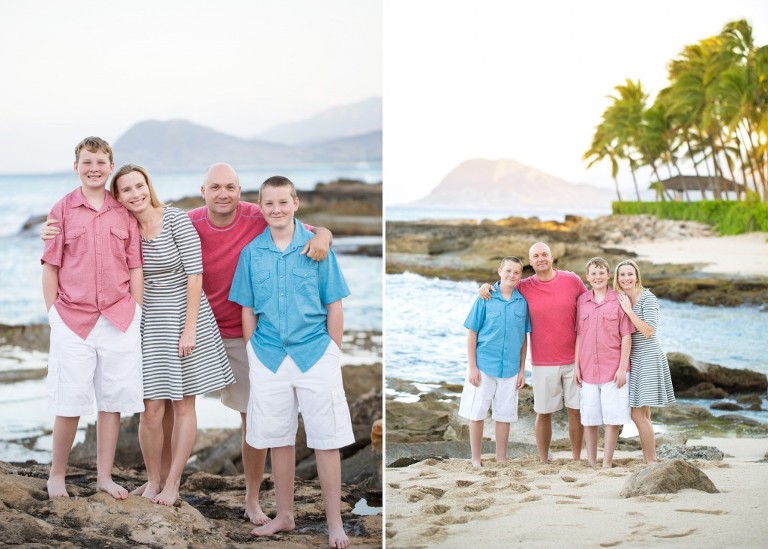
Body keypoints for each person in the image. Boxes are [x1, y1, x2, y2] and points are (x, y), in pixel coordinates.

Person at [45, 162, 333, 522]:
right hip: (155, 324)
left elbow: (296, 226)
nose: (223, 194)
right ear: (203, 191)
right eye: (215, 187)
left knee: (243, 416)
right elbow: (88, 242)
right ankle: (158, 481)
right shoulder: (144, 222)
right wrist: (49, 232)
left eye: (230, 187)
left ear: (240, 190)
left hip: (228, 328)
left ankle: (246, 497)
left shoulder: (243, 215)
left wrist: (323, 234)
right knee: (156, 408)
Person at [229, 176, 353, 548]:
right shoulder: (252, 253)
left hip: (316, 352)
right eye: (269, 204)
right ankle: (284, 516)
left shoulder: (317, 247)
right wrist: (252, 350)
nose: (277, 209)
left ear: (296, 203)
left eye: (283, 202)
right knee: (279, 438)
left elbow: (335, 303)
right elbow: (247, 308)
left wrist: (333, 349)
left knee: (326, 439)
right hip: (268, 356)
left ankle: (335, 524)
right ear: (260, 206)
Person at [110, 164, 235, 505]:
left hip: (185, 314)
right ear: (118, 197)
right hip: (148, 319)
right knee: (150, 409)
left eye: (140, 186)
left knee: (182, 405)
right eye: (126, 190)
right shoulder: (125, 227)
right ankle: (153, 480)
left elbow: (195, 275)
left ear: (148, 186)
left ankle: (173, 484)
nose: (135, 194)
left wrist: (189, 329)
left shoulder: (176, 219)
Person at [41, 137, 145, 499]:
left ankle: (104, 476)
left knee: (112, 401)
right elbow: (51, 266)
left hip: (119, 318)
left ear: (110, 166)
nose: (94, 168)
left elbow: (135, 266)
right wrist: (53, 314)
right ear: (76, 167)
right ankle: (57, 476)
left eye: (100, 162)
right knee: (69, 400)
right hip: (72, 319)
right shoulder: (62, 210)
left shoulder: (124, 213)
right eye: (87, 162)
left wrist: (137, 311)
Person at [481, 242, 587, 463]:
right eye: (536, 256)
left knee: (576, 412)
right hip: (542, 362)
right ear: (530, 261)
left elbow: (591, 304)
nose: (541, 259)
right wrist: (485, 287)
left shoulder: (572, 280)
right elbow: (503, 286)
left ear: (551, 257)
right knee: (544, 412)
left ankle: (577, 459)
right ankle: (543, 460)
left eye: (544, 254)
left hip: (575, 360)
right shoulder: (524, 286)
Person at [459, 257, 530, 467]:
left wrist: (522, 370)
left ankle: (501, 459)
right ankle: (476, 459)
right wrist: (472, 367)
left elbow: (523, 338)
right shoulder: (485, 298)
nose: (511, 275)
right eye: (508, 271)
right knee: (477, 413)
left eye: (516, 272)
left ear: (520, 276)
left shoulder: (522, 302)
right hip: (483, 366)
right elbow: (472, 333)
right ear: (500, 271)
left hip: (510, 369)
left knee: (504, 415)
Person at [573, 257, 634, 468]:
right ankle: (591, 462)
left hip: (613, 370)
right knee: (589, 417)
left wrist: (622, 368)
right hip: (588, 369)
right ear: (587, 277)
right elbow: (579, 335)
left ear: (608, 276)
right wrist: (576, 366)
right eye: (593, 273)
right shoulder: (582, 301)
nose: (597, 277)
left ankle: (607, 462)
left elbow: (627, 336)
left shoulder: (619, 300)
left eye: (601, 273)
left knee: (612, 418)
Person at [614, 259, 675, 463]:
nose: (626, 278)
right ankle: (651, 459)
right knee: (644, 414)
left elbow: (648, 331)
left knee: (638, 415)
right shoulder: (621, 297)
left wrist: (629, 311)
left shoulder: (647, 298)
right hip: (635, 359)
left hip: (648, 358)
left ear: (637, 276)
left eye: (630, 274)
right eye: (622, 275)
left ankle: (650, 461)